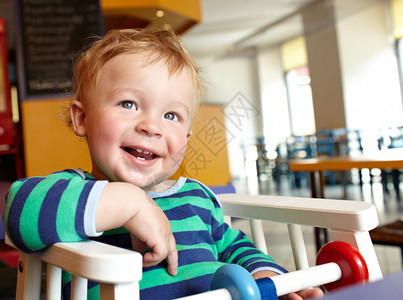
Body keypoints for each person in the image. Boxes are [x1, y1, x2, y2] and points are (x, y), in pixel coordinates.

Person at [3, 28, 323, 299]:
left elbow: (232, 245)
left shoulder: (197, 197)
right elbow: (19, 213)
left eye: (171, 115)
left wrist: (266, 274)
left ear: (186, 136)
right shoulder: (75, 193)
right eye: (129, 103)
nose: (151, 126)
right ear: (82, 118)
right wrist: (128, 203)